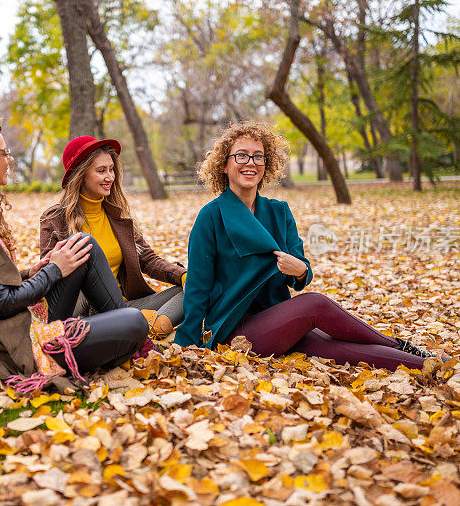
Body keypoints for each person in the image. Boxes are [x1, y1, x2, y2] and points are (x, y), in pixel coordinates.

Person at [173, 120, 440, 372]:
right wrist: (187, 342)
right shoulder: (211, 216)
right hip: (235, 328)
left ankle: (430, 364)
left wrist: (299, 270)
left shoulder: (279, 211)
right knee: (315, 304)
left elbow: (302, 274)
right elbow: (198, 285)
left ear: (267, 164)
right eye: (241, 155)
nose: (250, 163)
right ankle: (398, 344)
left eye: (258, 156)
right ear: (224, 165)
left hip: (279, 318)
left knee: (336, 348)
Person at [0, 117, 149, 393]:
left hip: (21, 321)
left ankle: (127, 334)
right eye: (4, 153)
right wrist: (54, 270)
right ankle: (129, 335)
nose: (10, 159)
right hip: (11, 342)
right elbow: (2, 304)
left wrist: (31, 272)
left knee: (82, 244)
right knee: (135, 321)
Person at [39, 136, 186, 336]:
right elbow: (51, 278)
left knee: (189, 290)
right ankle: (139, 325)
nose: (110, 176)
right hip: (85, 313)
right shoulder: (55, 220)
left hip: (126, 305)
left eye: (111, 169)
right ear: (80, 174)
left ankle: (152, 326)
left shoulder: (118, 217)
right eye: (101, 170)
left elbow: (148, 260)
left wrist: (183, 276)